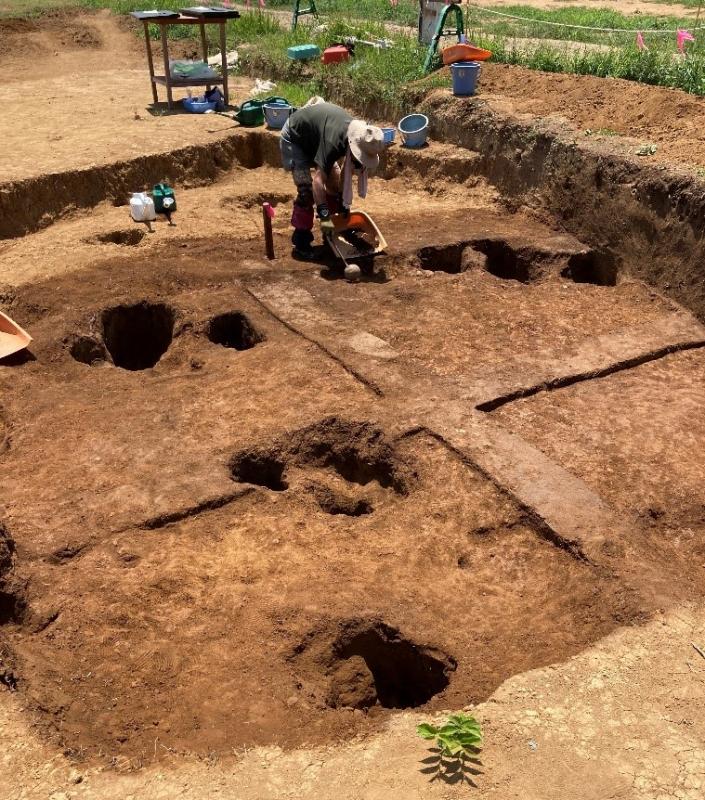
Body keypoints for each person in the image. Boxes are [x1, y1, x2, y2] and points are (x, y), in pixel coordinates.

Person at [280, 99, 385, 260]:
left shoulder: (358, 135)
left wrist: (343, 203)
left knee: (334, 187)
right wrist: (324, 215)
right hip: (295, 137)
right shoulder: (333, 143)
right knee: (306, 191)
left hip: (316, 137)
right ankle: (301, 241)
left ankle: (332, 230)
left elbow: (345, 172)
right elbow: (318, 182)